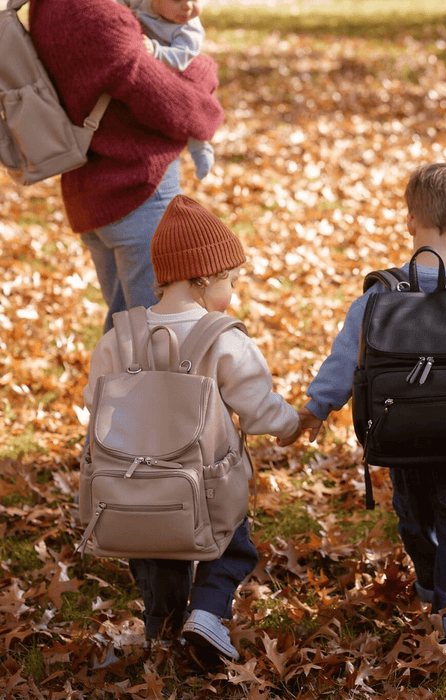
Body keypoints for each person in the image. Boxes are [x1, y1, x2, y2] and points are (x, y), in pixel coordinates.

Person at [281, 163, 446, 648]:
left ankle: (428, 580)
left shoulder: (381, 293)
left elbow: (346, 360)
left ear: (408, 221)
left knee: (414, 513)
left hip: (399, 436)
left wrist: (317, 408)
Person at [83, 195, 300, 662]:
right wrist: (291, 424)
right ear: (204, 277)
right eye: (231, 281)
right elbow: (258, 408)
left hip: (132, 486)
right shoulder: (224, 339)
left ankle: (162, 629)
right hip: (207, 485)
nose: (233, 293)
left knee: (154, 551)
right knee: (231, 545)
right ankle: (205, 614)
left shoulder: (116, 339)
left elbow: (93, 403)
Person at [29, 0, 224, 332]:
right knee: (162, 332)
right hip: (135, 188)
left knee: (127, 331)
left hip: (93, 185)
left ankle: (112, 386)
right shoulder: (97, 14)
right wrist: (205, 69)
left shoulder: (47, 6)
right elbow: (177, 105)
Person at [114, 0, 216, 181]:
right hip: (151, 71)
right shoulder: (140, 3)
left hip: (177, 72)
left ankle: (201, 148)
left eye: (196, 0)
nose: (188, 6)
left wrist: (157, 51)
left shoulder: (189, 28)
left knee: (191, 113)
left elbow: (182, 57)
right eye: (178, 0)